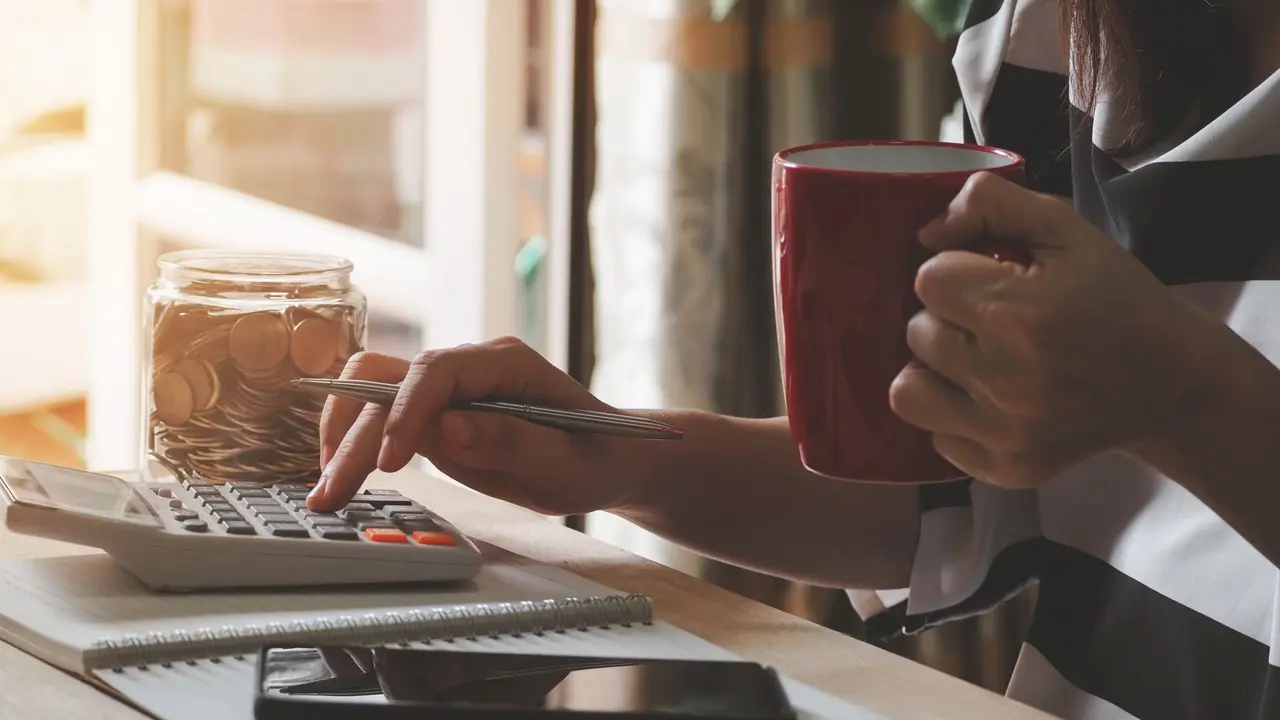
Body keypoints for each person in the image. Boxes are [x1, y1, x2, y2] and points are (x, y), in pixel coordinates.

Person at [306, 0, 1280, 717]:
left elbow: (1150, 407)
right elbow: (955, 485)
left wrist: (1183, 393)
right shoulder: (1051, 35)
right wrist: (614, 455)